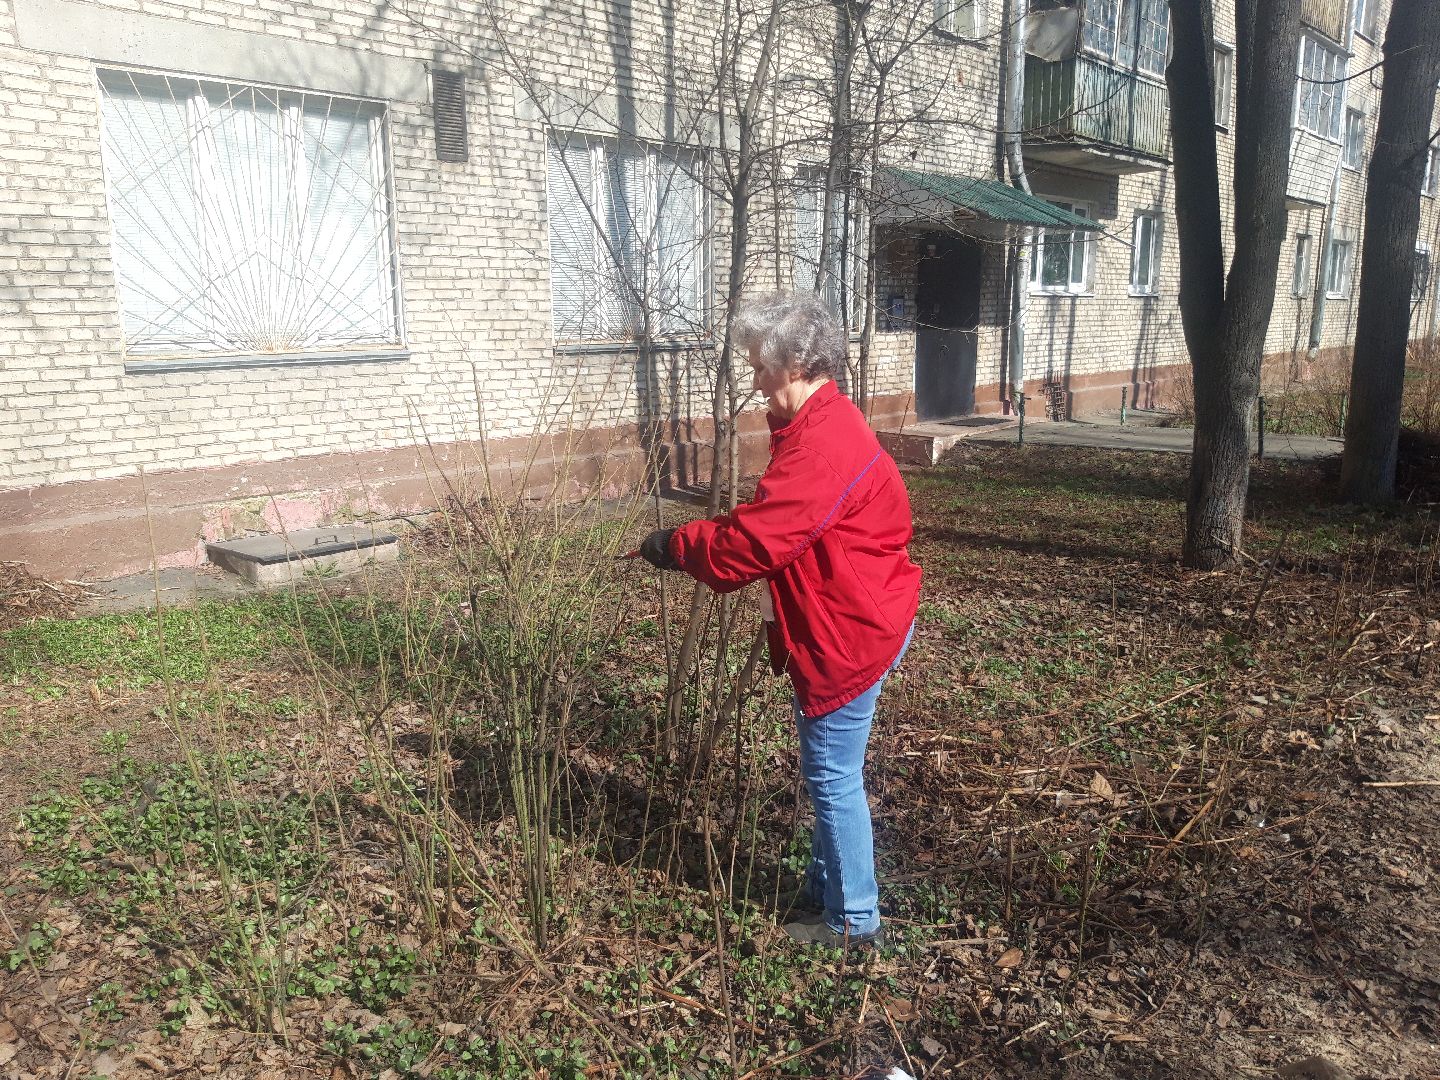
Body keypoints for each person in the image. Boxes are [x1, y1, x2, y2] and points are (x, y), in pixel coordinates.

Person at [638, 291, 922, 948]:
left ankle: (854, 924)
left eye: (758, 363)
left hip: (850, 630)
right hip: (850, 612)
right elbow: (782, 530)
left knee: (831, 773)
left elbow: (754, 545)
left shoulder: (823, 443)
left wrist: (675, 545)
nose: (754, 376)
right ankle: (827, 891)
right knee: (829, 767)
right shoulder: (819, 425)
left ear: (792, 361)